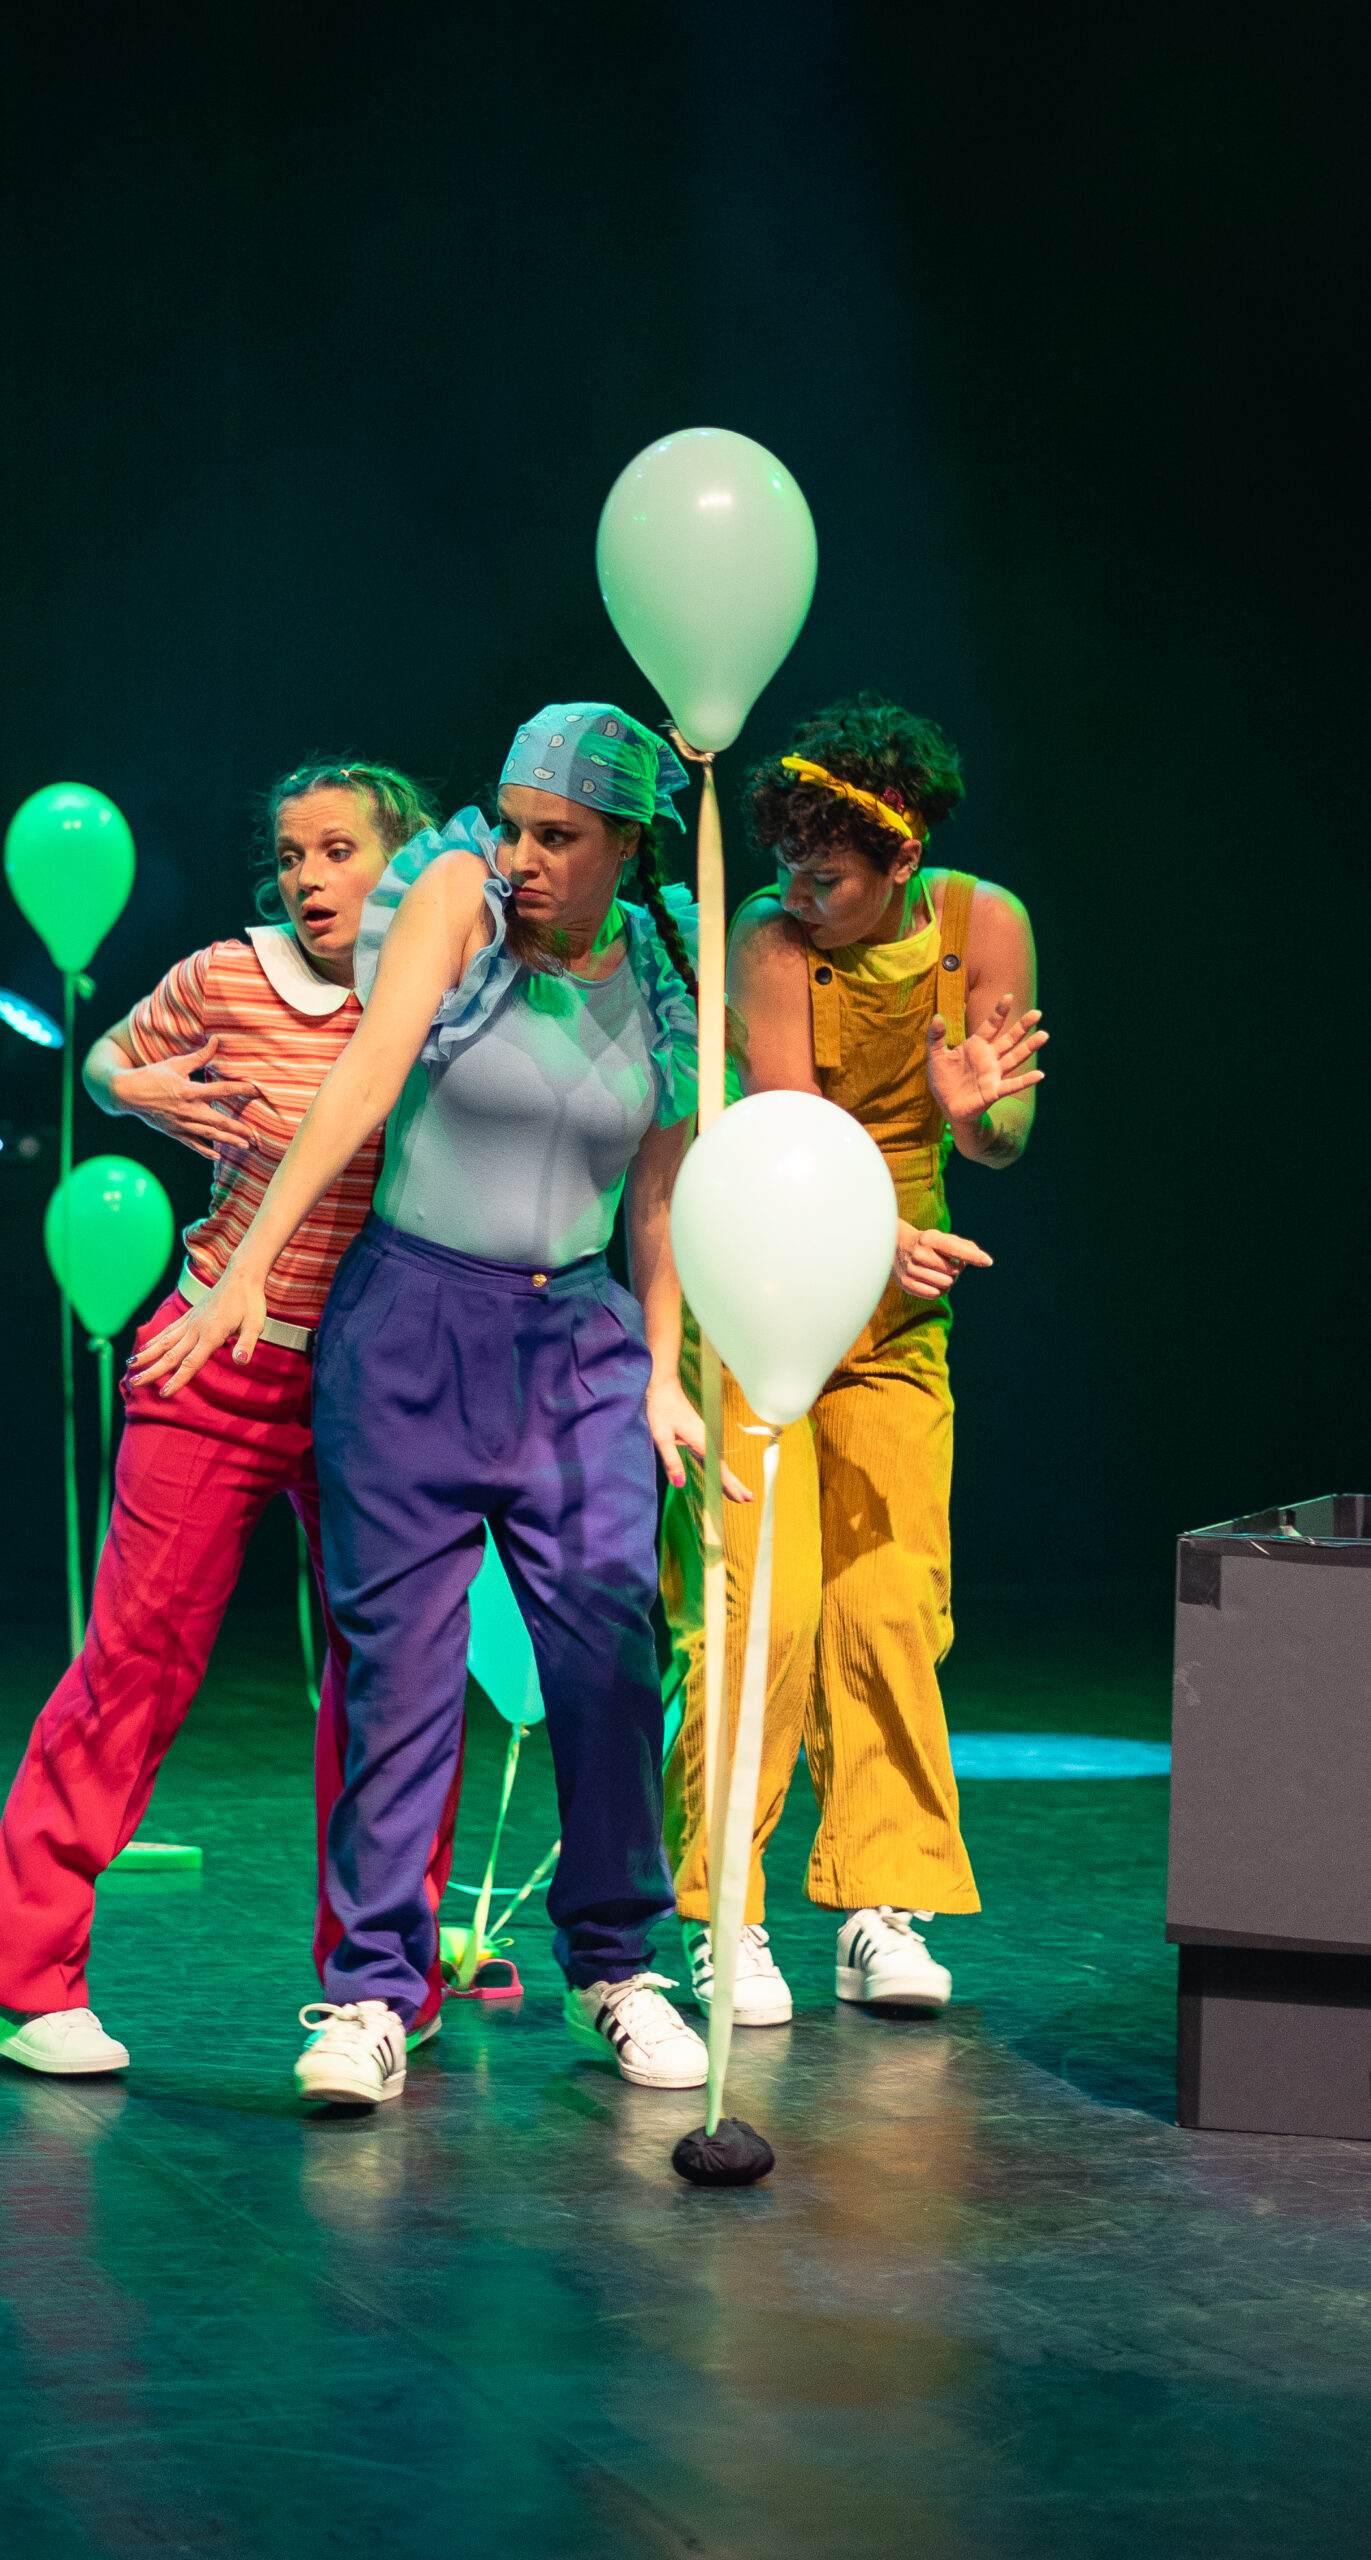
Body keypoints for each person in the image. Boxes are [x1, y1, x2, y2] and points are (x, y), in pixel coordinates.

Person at [132, 704, 723, 2106]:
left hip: (578, 1341)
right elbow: (360, 1088)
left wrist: (662, 1374)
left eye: (557, 837)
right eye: (512, 824)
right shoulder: (457, 896)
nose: (522, 857)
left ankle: (616, 1966)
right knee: (399, 1676)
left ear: (627, 845)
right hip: (412, 1329)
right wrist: (246, 1271)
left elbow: (656, 1193)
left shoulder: (664, 956)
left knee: (608, 1657)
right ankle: (372, 1994)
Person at [0, 758, 449, 2073]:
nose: (308, 879)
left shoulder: (448, 990)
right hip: (216, 1359)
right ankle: (21, 1980)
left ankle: (387, 1987)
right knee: (135, 1661)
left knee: (395, 1684)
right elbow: (108, 1055)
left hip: (378, 1387)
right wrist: (130, 1089)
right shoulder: (234, 975)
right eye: (290, 855)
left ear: (405, 860)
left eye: (337, 850)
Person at [655, 693, 1047, 2024]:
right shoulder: (771, 943)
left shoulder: (985, 924)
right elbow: (788, 1133)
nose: (794, 893)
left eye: (824, 876)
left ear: (901, 861)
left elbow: (1001, 1139)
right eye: (784, 865)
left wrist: (972, 1120)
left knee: (890, 1599)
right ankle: (724, 1913)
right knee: (754, 1607)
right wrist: (876, 1235)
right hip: (764, 1274)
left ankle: (885, 1899)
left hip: (899, 1303)